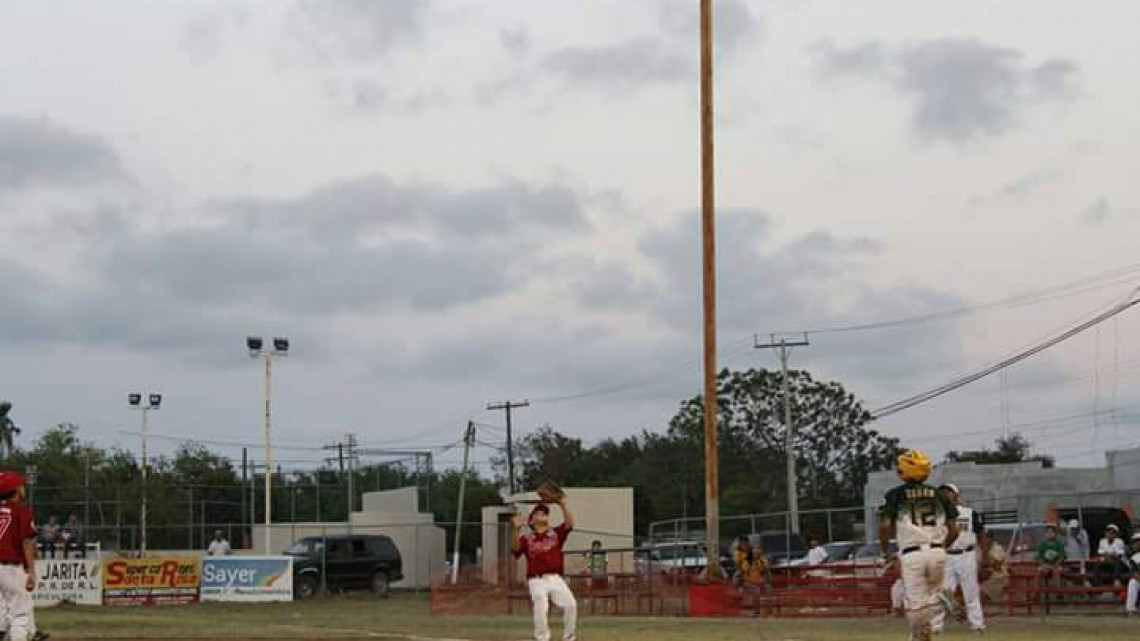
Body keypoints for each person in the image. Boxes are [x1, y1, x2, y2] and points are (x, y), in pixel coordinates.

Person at [879, 449, 959, 641]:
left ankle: (940, 602)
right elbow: (954, 530)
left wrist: (885, 549)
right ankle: (937, 605)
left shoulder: (895, 495)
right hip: (937, 550)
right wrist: (942, 547)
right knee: (929, 598)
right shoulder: (940, 495)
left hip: (912, 553)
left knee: (915, 608)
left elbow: (885, 525)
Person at [511, 496, 577, 641]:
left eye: (545, 513)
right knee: (541, 601)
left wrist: (563, 504)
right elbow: (515, 550)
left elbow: (569, 524)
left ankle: (569, 637)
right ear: (531, 520)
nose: (543, 515)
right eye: (539, 513)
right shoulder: (527, 539)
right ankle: (541, 638)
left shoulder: (555, 534)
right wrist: (515, 530)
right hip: (536, 579)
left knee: (571, 604)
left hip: (555, 578)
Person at [931, 483, 985, 634]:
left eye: (948, 492)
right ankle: (936, 626)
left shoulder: (968, 513)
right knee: (944, 593)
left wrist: (984, 557)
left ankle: (977, 625)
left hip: (966, 554)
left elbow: (981, 534)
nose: (945, 495)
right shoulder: (937, 516)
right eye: (942, 493)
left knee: (971, 591)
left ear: (956, 494)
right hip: (947, 555)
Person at [0, 472, 38, 641]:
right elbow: (26, 543)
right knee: (19, 615)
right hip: (12, 568)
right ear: (16, 490)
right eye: (21, 485)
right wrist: (31, 571)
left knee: (2, 615)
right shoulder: (21, 511)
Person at [1124, 533, 1140, 615]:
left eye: (1138, 541)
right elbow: (1134, 573)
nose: (1137, 543)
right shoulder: (1133, 557)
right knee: (1133, 583)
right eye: (1135, 542)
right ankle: (1131, 609)